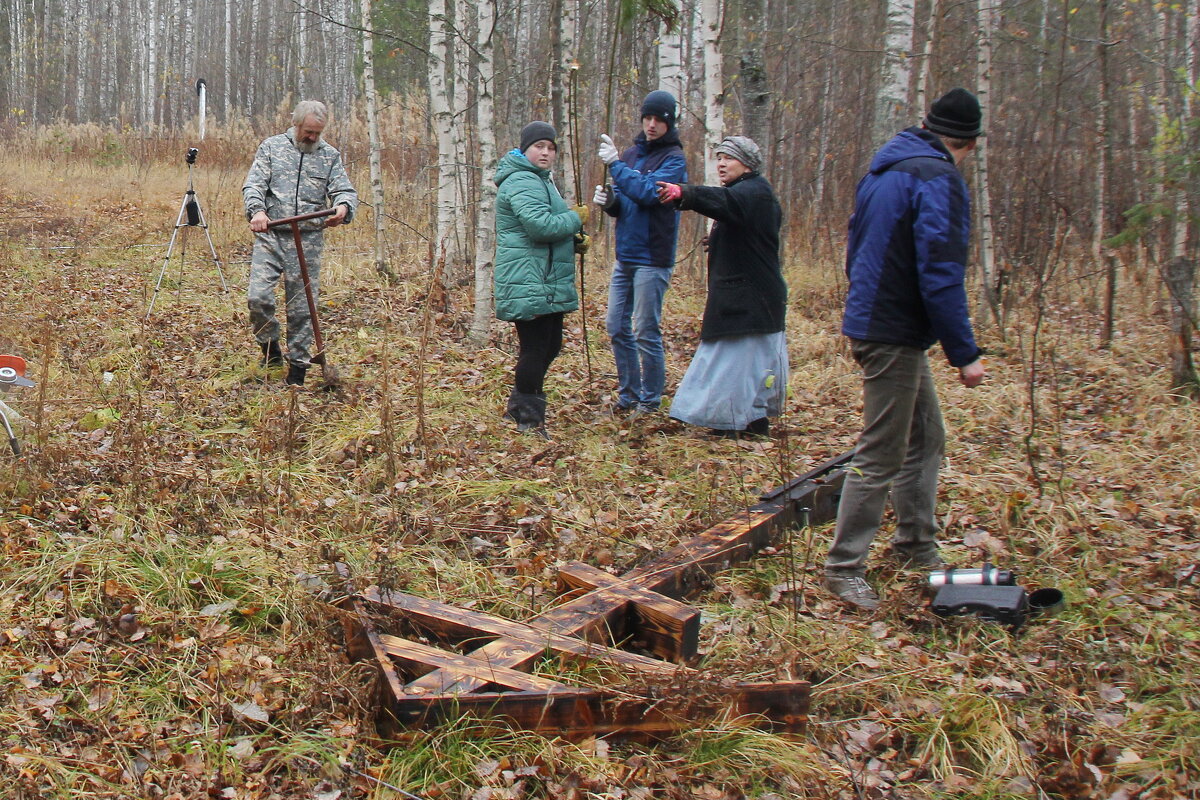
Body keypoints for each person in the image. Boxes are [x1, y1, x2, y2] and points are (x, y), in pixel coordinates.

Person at [823, 88, 988, 612]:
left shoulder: (884, 171)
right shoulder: (938, 178)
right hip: (891, 331)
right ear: (968, 144)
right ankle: (843, 569)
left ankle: (916, 545)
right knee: (882, 452)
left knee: (926, 436)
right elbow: (940, 272)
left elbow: (856, 247)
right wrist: (964, 352)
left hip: (883, 323)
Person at [654, 136, 787, 437]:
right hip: (750, 299)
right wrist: (717, 240)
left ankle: (732, 424)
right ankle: (748, 424)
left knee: (736, 366)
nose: (722, 164)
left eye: (730, 158)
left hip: (750, 300)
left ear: (748, 164)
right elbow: (745, 226)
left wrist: (684, 193)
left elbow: (726, 203)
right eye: (719, 158)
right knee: (746, 367)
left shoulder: (754, 192)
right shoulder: (748, 192)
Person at [243, 100, 358, 387]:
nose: (313, 138)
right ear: (296, 125)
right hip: (271, 236)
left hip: (307, 239)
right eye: (308, 131)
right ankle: (270, 350)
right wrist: (257, 211)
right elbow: (254, 184)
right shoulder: (271, 147)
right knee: (258, 299)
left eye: (318, 133)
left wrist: (343, 208)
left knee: (302, 306)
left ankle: (298, 368)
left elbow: (344, 190)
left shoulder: (329, 156)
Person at [593, 90, 688, 415]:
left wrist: (616, 166)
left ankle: (650, 401)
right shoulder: (632, 155)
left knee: (646, 329)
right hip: (627, 255)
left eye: (658, 120)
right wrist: (610, 203)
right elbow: (626, 201)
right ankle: (629, 394)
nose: (651, 125)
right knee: (617, 326)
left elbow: (649, 194)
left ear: (668, 123)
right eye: (647, 118)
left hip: (653, 257)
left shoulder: (674, 159)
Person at [493, 121, 589, 436]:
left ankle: (519, 409)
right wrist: (576, 218)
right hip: (528, 278)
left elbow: (549, 228)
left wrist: (574, 239)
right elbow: (540, 227)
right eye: (539, 147)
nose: (546, 153)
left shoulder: (541, 180)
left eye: (550, 148)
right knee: (536, 348)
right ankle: (530, 421)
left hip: (544, 277)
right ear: (525, 149)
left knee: (549, 346)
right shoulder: (522, 179)